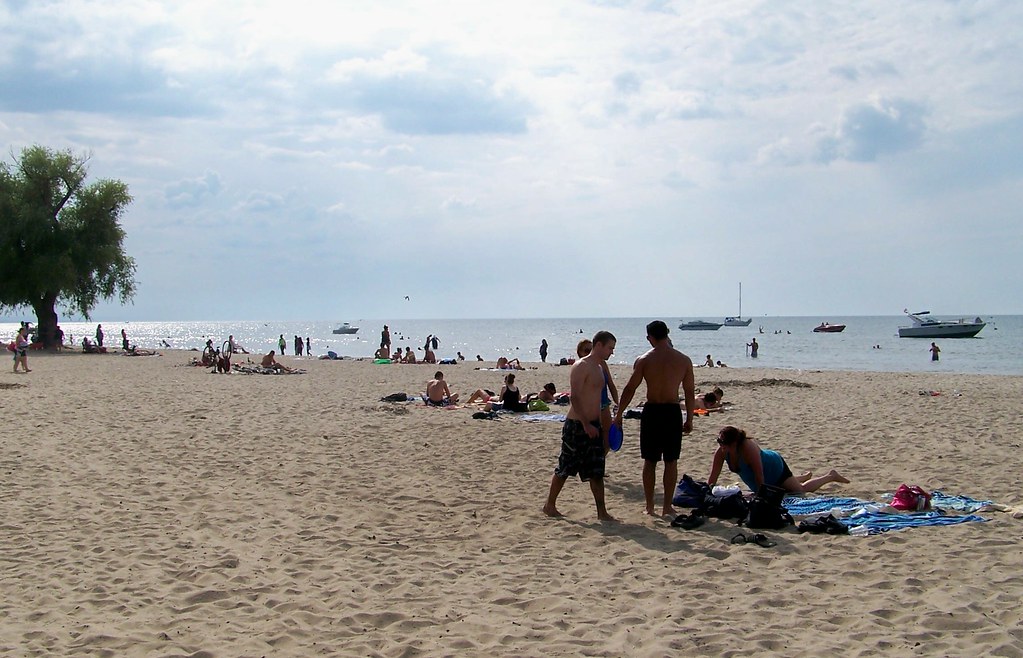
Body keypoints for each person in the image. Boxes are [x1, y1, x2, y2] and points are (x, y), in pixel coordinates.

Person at [614, 320, 695, 517]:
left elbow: (630, 388)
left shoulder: (644, 360)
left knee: (650, 461)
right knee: (671, 461)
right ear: (667, 334)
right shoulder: (684, 360)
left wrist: (619, 414)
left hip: (652, 412)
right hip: (672, 412)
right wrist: (689, 418)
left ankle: (650, 507)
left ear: (650, 337)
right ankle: (667, 506)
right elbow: (689, 392)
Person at [543, 331, 617, 521]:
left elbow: (600, 397)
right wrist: (585, 424)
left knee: (597, 470)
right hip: (577, 424)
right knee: (565, 467)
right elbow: (574, 397)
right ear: (598, 345)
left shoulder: (600, 367)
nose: (612, 352)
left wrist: (600, 423)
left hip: (594, 424)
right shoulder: (581, 366)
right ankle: (549, 505)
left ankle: (602, 512)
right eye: (610, 348)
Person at [707, 425, 849, 494]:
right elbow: (713, 477)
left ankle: (830, 476)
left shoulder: (748, 448)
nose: (723, 448)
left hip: (775, 468)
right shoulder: (721, 452)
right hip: (761, 477)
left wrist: (761, 497)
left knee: (800, 491)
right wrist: (707, 493)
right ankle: (799, 477)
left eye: (726, 446)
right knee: (778, 489)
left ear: (735, 443)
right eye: (721, 444)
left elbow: (759, 475)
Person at [575, 338, 618, 455]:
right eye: (586, 350)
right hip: (589, 408)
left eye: (591, 349)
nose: (589, 352)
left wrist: (617, 404)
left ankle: (600, 463)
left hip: (604, 404)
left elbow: (611, 384)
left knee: (608, 439)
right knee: (591, 439)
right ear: (580, 353)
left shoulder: (602, 364)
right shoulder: (581, 367)